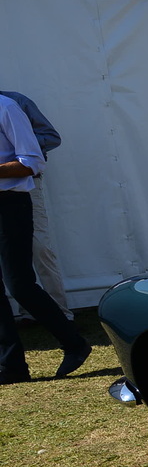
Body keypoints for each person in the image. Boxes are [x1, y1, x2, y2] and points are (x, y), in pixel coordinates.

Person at [0, 93, 89, 385]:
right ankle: (12, 367)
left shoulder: (7, 107)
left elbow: (33, 161)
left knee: (20, 284)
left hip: (9, 204)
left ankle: (75, 345)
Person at [1, 90, 69, 319]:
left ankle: (60, 311)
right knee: (13, 256)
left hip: (26, 184)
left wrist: (22, 140)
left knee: (40, 247)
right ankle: (28, 311)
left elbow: (51, 136)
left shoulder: (15, 103)